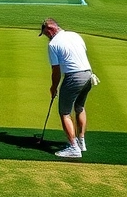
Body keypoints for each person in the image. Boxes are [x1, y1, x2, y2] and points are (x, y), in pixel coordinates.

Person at [39, 18, 94, 158]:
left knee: (64, 112)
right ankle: (81, 142)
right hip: (88, 75)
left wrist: (53, 87)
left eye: (45, 33)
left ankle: (74, 148)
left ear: (49, 30)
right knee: (80, 107)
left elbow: (56, 71)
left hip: (74, 77)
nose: (46, 37)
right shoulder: (74, 35)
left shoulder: (53, 44)